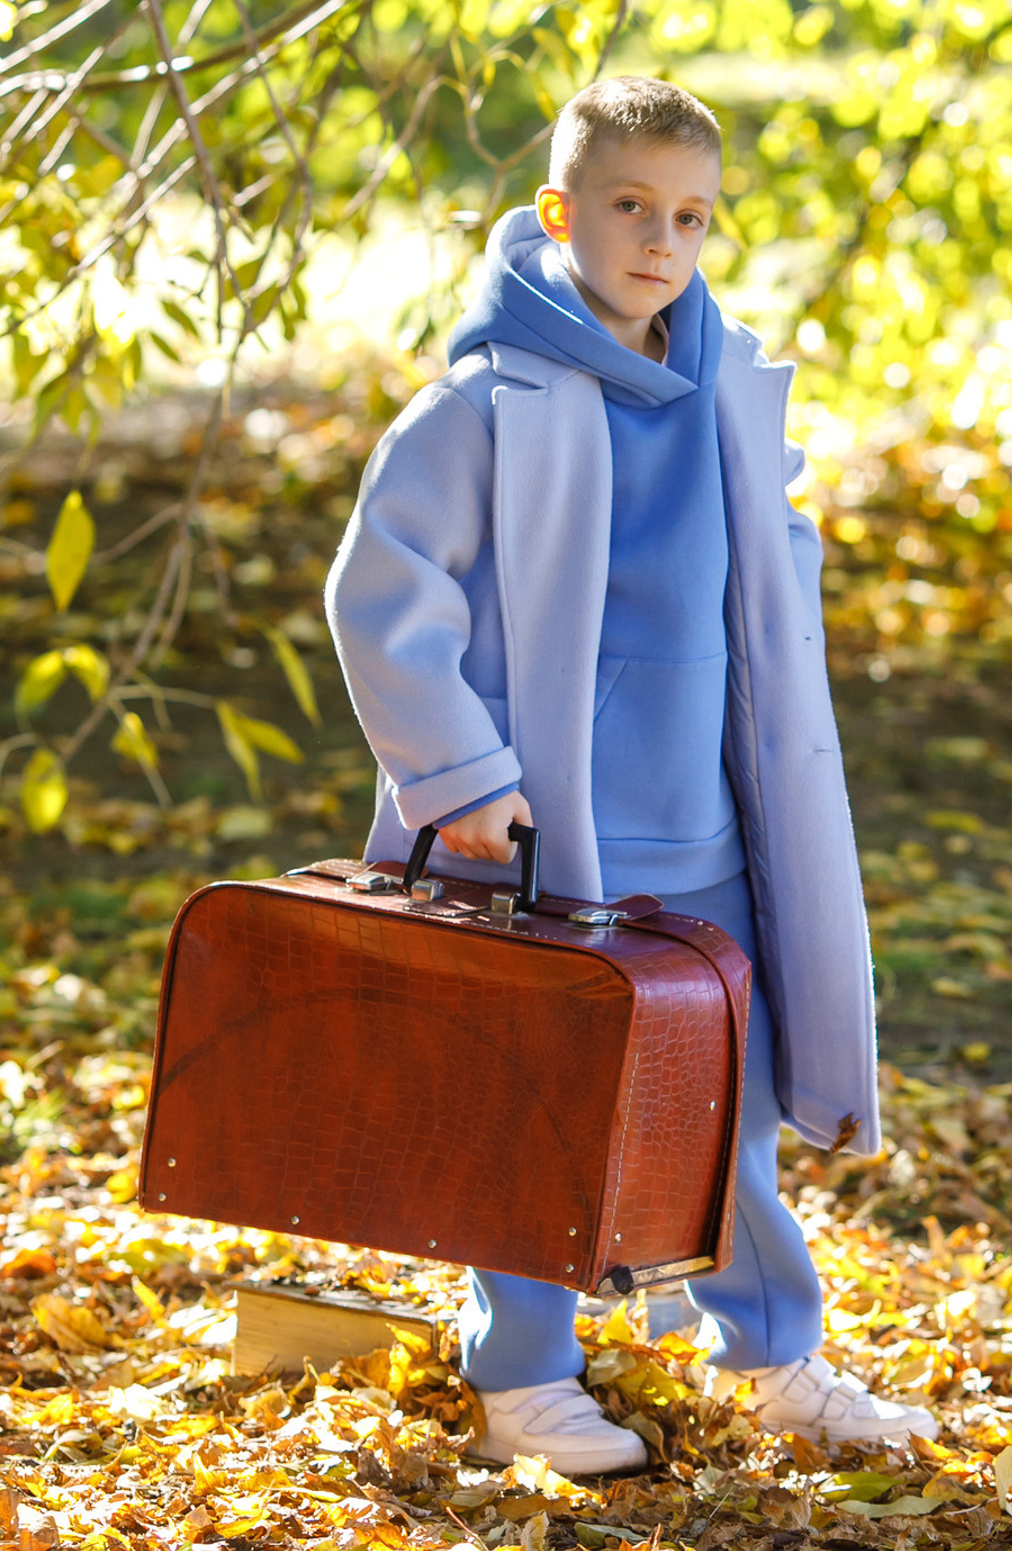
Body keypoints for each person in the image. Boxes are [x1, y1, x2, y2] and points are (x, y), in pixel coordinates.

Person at [324, 76, 936, 1473]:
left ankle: (774, 1355)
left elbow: (756, 586)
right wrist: (461, 774)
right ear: (560, 213)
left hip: (705, 821)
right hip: (542, 831)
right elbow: (380, 591)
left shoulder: (721, 379)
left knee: (728, 1090)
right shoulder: (491, 400)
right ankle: (525, 1374)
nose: (661, 239)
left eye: (691, 216)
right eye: (629, 206)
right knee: (532, 1094)